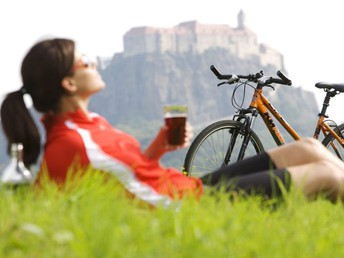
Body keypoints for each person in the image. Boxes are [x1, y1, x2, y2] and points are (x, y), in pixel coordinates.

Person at [1, 38, 344, 207]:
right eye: (84, 62)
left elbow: (127, 177)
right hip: (185, 207)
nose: (92, 63)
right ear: (69, 83)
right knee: (325, 173)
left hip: (180, 189)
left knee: (308, 148)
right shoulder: (72, 143)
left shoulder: (92, 123)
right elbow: (55, 199)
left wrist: (157, 148)